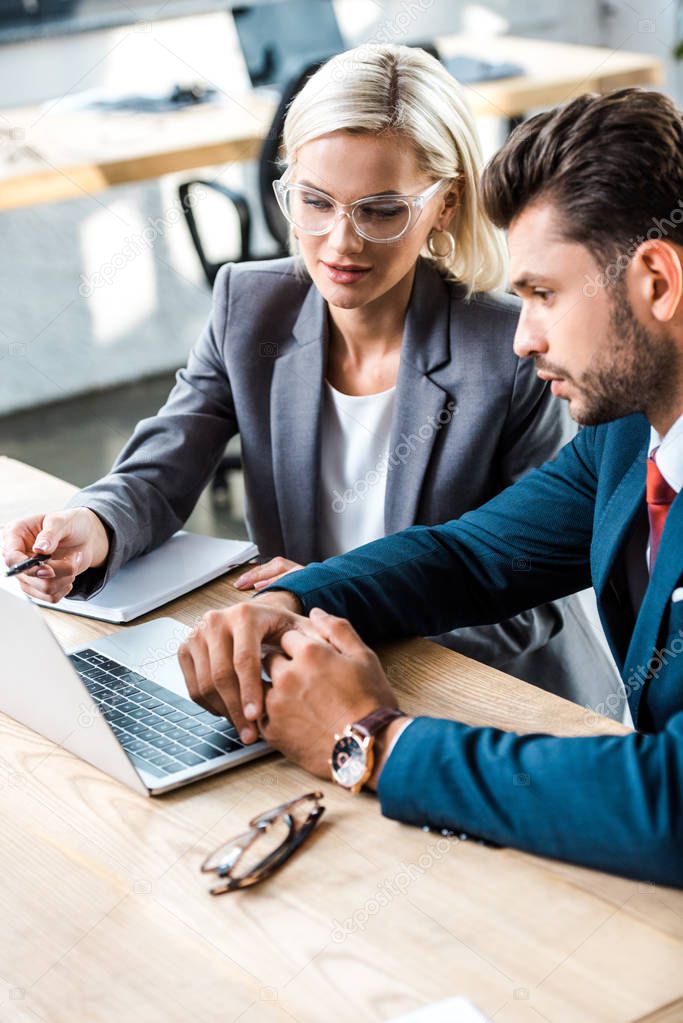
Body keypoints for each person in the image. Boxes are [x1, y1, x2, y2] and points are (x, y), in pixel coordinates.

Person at [1, 44, 618, 719]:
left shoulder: (514, 351)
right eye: (315, 202)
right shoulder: (249, 305)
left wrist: (331, 605)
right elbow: (162, 465)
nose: (339, 243)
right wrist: (94, 522)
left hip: (498, 700)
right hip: (303, 679)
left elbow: (526, 597)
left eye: (380, 210)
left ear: (444, 205)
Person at [169, 87, 683, 887]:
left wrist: (374, 738)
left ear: (655, 280)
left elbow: (670, 805)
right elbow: (472, 555)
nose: (522, 336)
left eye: (543, 294)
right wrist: (290, 603)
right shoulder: (629, 433)